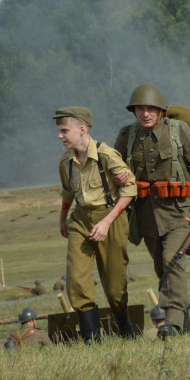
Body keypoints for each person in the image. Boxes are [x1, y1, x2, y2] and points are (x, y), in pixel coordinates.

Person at [114, 85, 190, 337]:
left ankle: (172, 324)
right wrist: (118, 177)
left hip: (179, 213)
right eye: (140, 109)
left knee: (171, 261)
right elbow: (114, 170)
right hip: (145, 215)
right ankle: (185, 330)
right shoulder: (126, 136)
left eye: (151, 109)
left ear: (161, 111)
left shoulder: (179, 131)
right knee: (163, 271)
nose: (145, 114)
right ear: (134, 111)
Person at [55, 106, 136, 344]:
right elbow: (67, 191)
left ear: (82, 129)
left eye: (64, 130)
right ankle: (92, 340)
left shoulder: (106, 155)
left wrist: (106, 222)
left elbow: (130, 190)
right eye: (60, 131)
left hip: (111, 217)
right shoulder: (66, 161)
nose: (60, 135)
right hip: (80, 219)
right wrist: (63, 218)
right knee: (76, 280)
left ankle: (126, 332)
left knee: (115, 287)